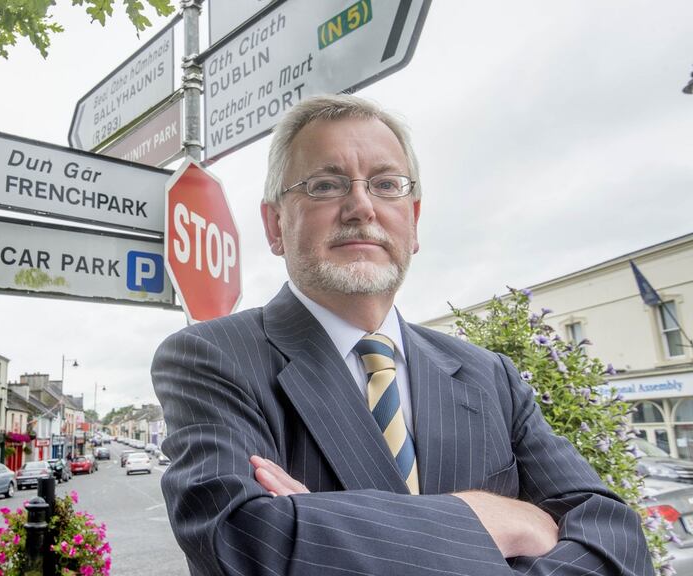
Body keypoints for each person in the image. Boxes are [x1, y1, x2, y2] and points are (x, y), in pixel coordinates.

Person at [151, 94, 653, 576]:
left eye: (387, 184)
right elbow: (244, 544)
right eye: (325, 185)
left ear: (413, 221)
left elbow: (617, 542)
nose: (361, 207)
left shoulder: (490, 376)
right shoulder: (211, 357)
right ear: (275, 224)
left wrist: (325, 529)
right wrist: (497, 519)